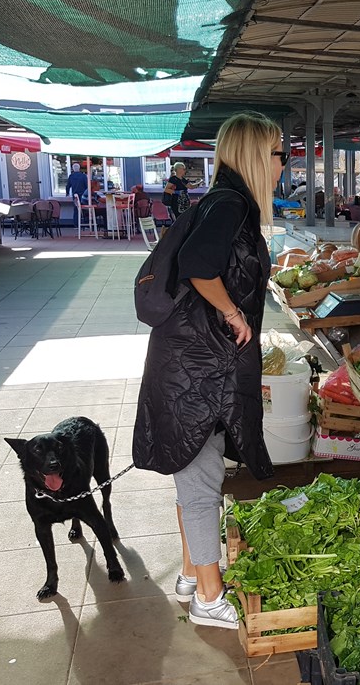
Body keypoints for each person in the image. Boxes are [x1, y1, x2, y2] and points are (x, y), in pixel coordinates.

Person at [132, 112, 280, 630]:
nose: (282, 165)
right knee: (200, 476)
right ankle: (209, 601)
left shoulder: (219, 201)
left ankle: (193, 575)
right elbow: (198, 265)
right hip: (198, 368)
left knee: (189, 469)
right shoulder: (233, 205)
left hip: (189, 361)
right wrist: (233, 312)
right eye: (279, 154)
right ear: (259, 157)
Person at [66, 163, 88, 228]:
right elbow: (87, 186)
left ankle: (76, 225)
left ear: (73, 169)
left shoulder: (71, 176)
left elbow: (68, 186)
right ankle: (85, 224)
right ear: (79, 168)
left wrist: (67, 193)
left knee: (76, 210)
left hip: (75, 195)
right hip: (83, 195)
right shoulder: (83, 176)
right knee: (85, 209)